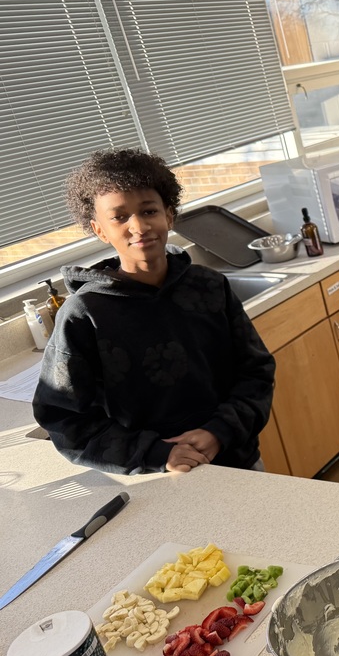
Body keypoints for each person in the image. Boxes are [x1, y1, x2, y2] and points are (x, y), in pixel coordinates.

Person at [33, 149, 275, 475]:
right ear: (100, 229)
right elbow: (63, 417)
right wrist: (155, 454)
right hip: (155, 477)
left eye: (149, 210)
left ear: (169, 215)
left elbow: (256, 372)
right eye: (119, 217)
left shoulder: (210, 286)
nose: (139, 226)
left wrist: (220, 431)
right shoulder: (85, 314)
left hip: (237, 459)